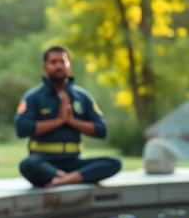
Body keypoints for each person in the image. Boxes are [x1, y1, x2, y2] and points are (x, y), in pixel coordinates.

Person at [14, 45, 121, 188]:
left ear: (69, 66)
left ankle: (64, 179)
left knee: (114, 163)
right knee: (27, 165)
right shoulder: (33, 97)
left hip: (74, 162)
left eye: (63, 62)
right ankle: (72, 178)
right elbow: (21, 129)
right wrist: (59, 120)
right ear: (44, 67)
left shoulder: (82, 97)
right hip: (44, 163)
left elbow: (101, 130)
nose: (59, 66)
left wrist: (72, 121)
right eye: (53, 62)